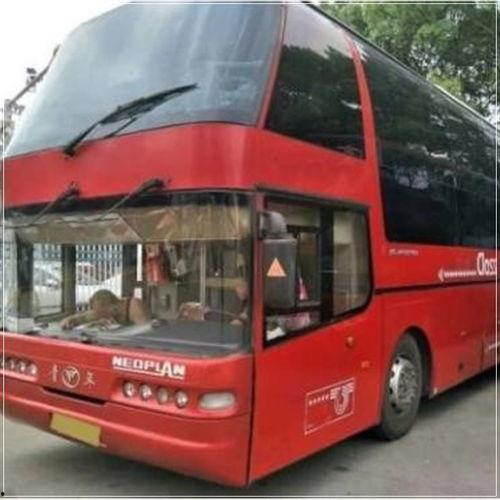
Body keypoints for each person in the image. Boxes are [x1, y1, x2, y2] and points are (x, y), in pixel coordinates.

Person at [61, 290, 149, 330]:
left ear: (112, 305)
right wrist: (69, 320)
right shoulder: (104, 311)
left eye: (102, 313)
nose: (101, 316)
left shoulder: (134, 306)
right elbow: (84, 317)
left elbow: (145, 331)